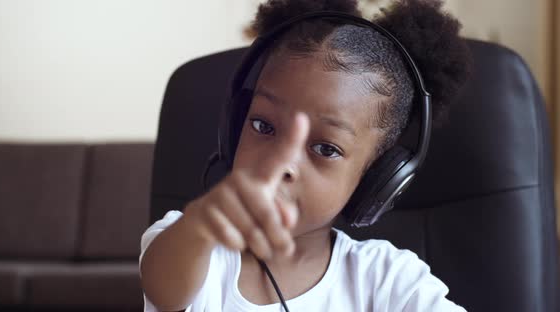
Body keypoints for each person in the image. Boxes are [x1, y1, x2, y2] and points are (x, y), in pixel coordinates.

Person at [140, 0, 472, 311]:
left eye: (326, 148)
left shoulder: (389, 281)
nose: (279, 163)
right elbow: (164, 289)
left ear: (375, 177)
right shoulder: (194, 244)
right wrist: (203, 220)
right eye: (263, 125)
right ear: (235, 126)